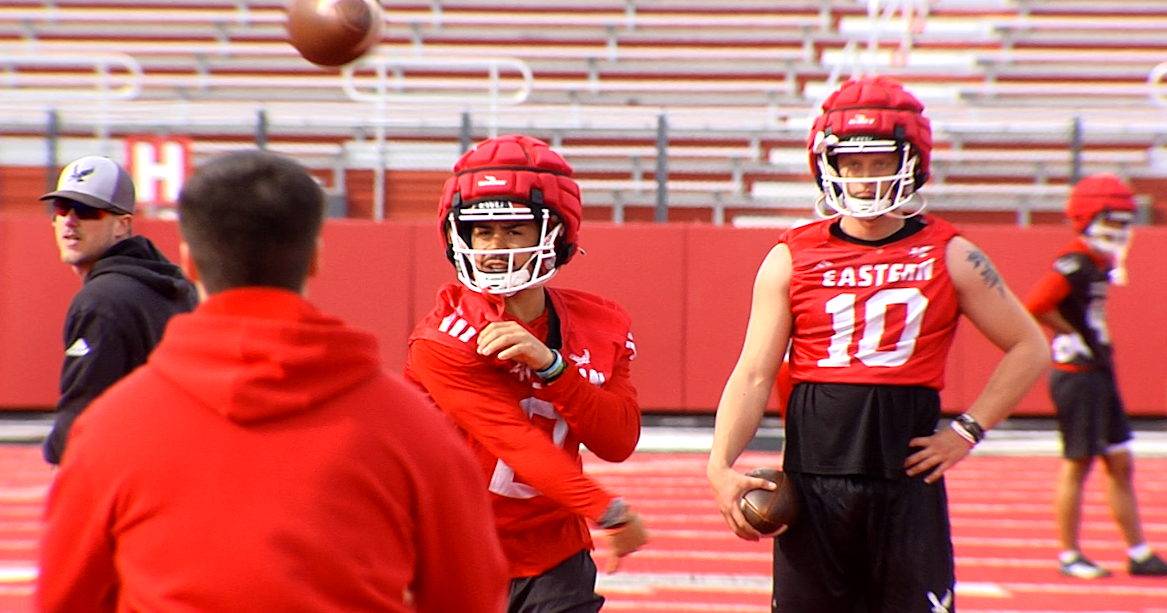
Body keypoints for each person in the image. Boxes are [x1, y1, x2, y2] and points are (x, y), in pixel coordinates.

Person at [38, 149, 508, 613]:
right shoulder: (414, 431)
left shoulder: (108, 431)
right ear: (314, 260)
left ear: (191, 262)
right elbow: (470, 597)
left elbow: (65, 600)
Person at [706, 76, 1050, 613]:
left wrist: (966, 431)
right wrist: (719, 465)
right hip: (813, 481)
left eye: (880, 161)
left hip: (904, 481)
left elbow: (1030, 346)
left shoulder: (950, 252)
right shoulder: (791, 255)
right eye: (853, 163)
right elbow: (753, 373)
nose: (866, 178)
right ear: (829, 165)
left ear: (910, 161)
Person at [405, 134, 649, 612]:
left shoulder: (601, 323)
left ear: (555, 234)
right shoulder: (442, 338)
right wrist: (609, 511)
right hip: (454, 550)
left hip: (554, 553)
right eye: (482, 232)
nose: (495, 248)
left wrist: (553, 367)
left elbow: (617, 441)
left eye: (514, 230)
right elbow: (514, 441)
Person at [1022, 173, 1167, 579]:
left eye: (1124, 221)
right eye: (1112, 220)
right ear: (1088, 217)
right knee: (1079, 462)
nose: (1119, 229)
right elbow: (1035, 303)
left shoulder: (1097, 261)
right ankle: (1069, 554)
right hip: (1078, 374)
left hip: (1097, 370)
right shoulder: (1075, 261)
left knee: (1120, 460)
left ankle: (1138, 551)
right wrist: (1069, 334)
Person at [40, 155, 197, 466]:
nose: (70, 220)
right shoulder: (175, 287)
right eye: (62, 208)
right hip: (178, 466)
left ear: (122, 225)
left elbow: (83, 412)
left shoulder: (102, 299)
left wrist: (57, 451)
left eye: (87, 210)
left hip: (128, 472)